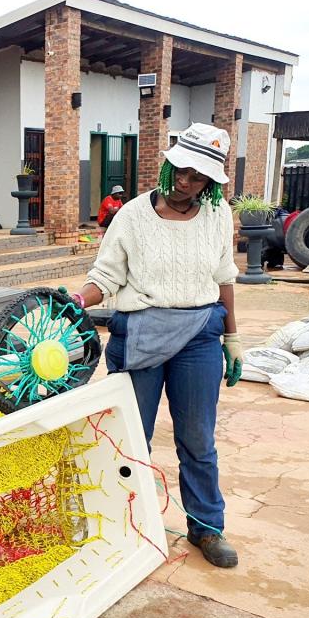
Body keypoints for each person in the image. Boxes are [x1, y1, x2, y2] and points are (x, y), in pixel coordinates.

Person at [72, 123, 244, 569]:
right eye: (181, 170)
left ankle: (207, 527)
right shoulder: (131, 215)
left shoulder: (217, 214)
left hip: (199, 335)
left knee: (197, 438)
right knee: (130, 437)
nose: (187, 181)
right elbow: (106, 276)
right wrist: (78, 298)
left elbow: (224, 275)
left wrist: (232, 336)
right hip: (140, 334)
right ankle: (124, 524)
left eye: (199, 176)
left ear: (210, 181)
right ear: (167, 163)